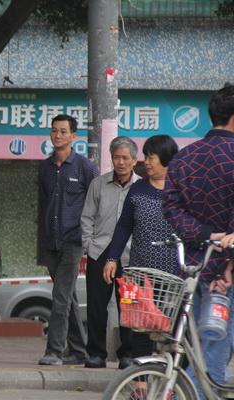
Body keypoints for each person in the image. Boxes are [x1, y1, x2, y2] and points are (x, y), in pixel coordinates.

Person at [163, 84, 234, 391]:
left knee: (199, 346)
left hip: (191, 267)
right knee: (216, 349)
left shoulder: (184, 158)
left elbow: (171, 208)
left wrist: (205, 234)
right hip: (226, 273)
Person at [103, 135, 179, 359]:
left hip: (173, 274)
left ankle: (168, 379)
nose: (146, 162)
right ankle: (141, 382)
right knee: (139, 324)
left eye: (151, 157)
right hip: (140, 273)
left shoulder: (180, 191)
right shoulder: (137, 189)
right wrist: (112, 258)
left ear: (165, 158)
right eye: (145, 157)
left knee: (171, 329)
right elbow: (124, 226)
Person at [38, 114, 98, 366]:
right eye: (54, 131)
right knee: (68, 297)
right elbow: (42, 206)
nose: (57, 135)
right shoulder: (45, 167)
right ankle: (79, 351)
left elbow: (96, 204)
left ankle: (54, 351)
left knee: (60, 296)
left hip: (74, 241)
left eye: (63, 131)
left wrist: (90, 239)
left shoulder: (85, 167)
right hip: (50, 242)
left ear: (73, 136)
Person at [80, 136, 140, 369]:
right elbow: (86, 218)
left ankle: (127, 353)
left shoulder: (141, 187)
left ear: (135, 160)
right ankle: (96, 354)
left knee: (128, 305)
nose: (121, 162)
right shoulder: (98, 184)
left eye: (125, 158)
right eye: (117, 157)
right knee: (96, 306)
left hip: (129, 256)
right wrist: (89, 246)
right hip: (100, 253)